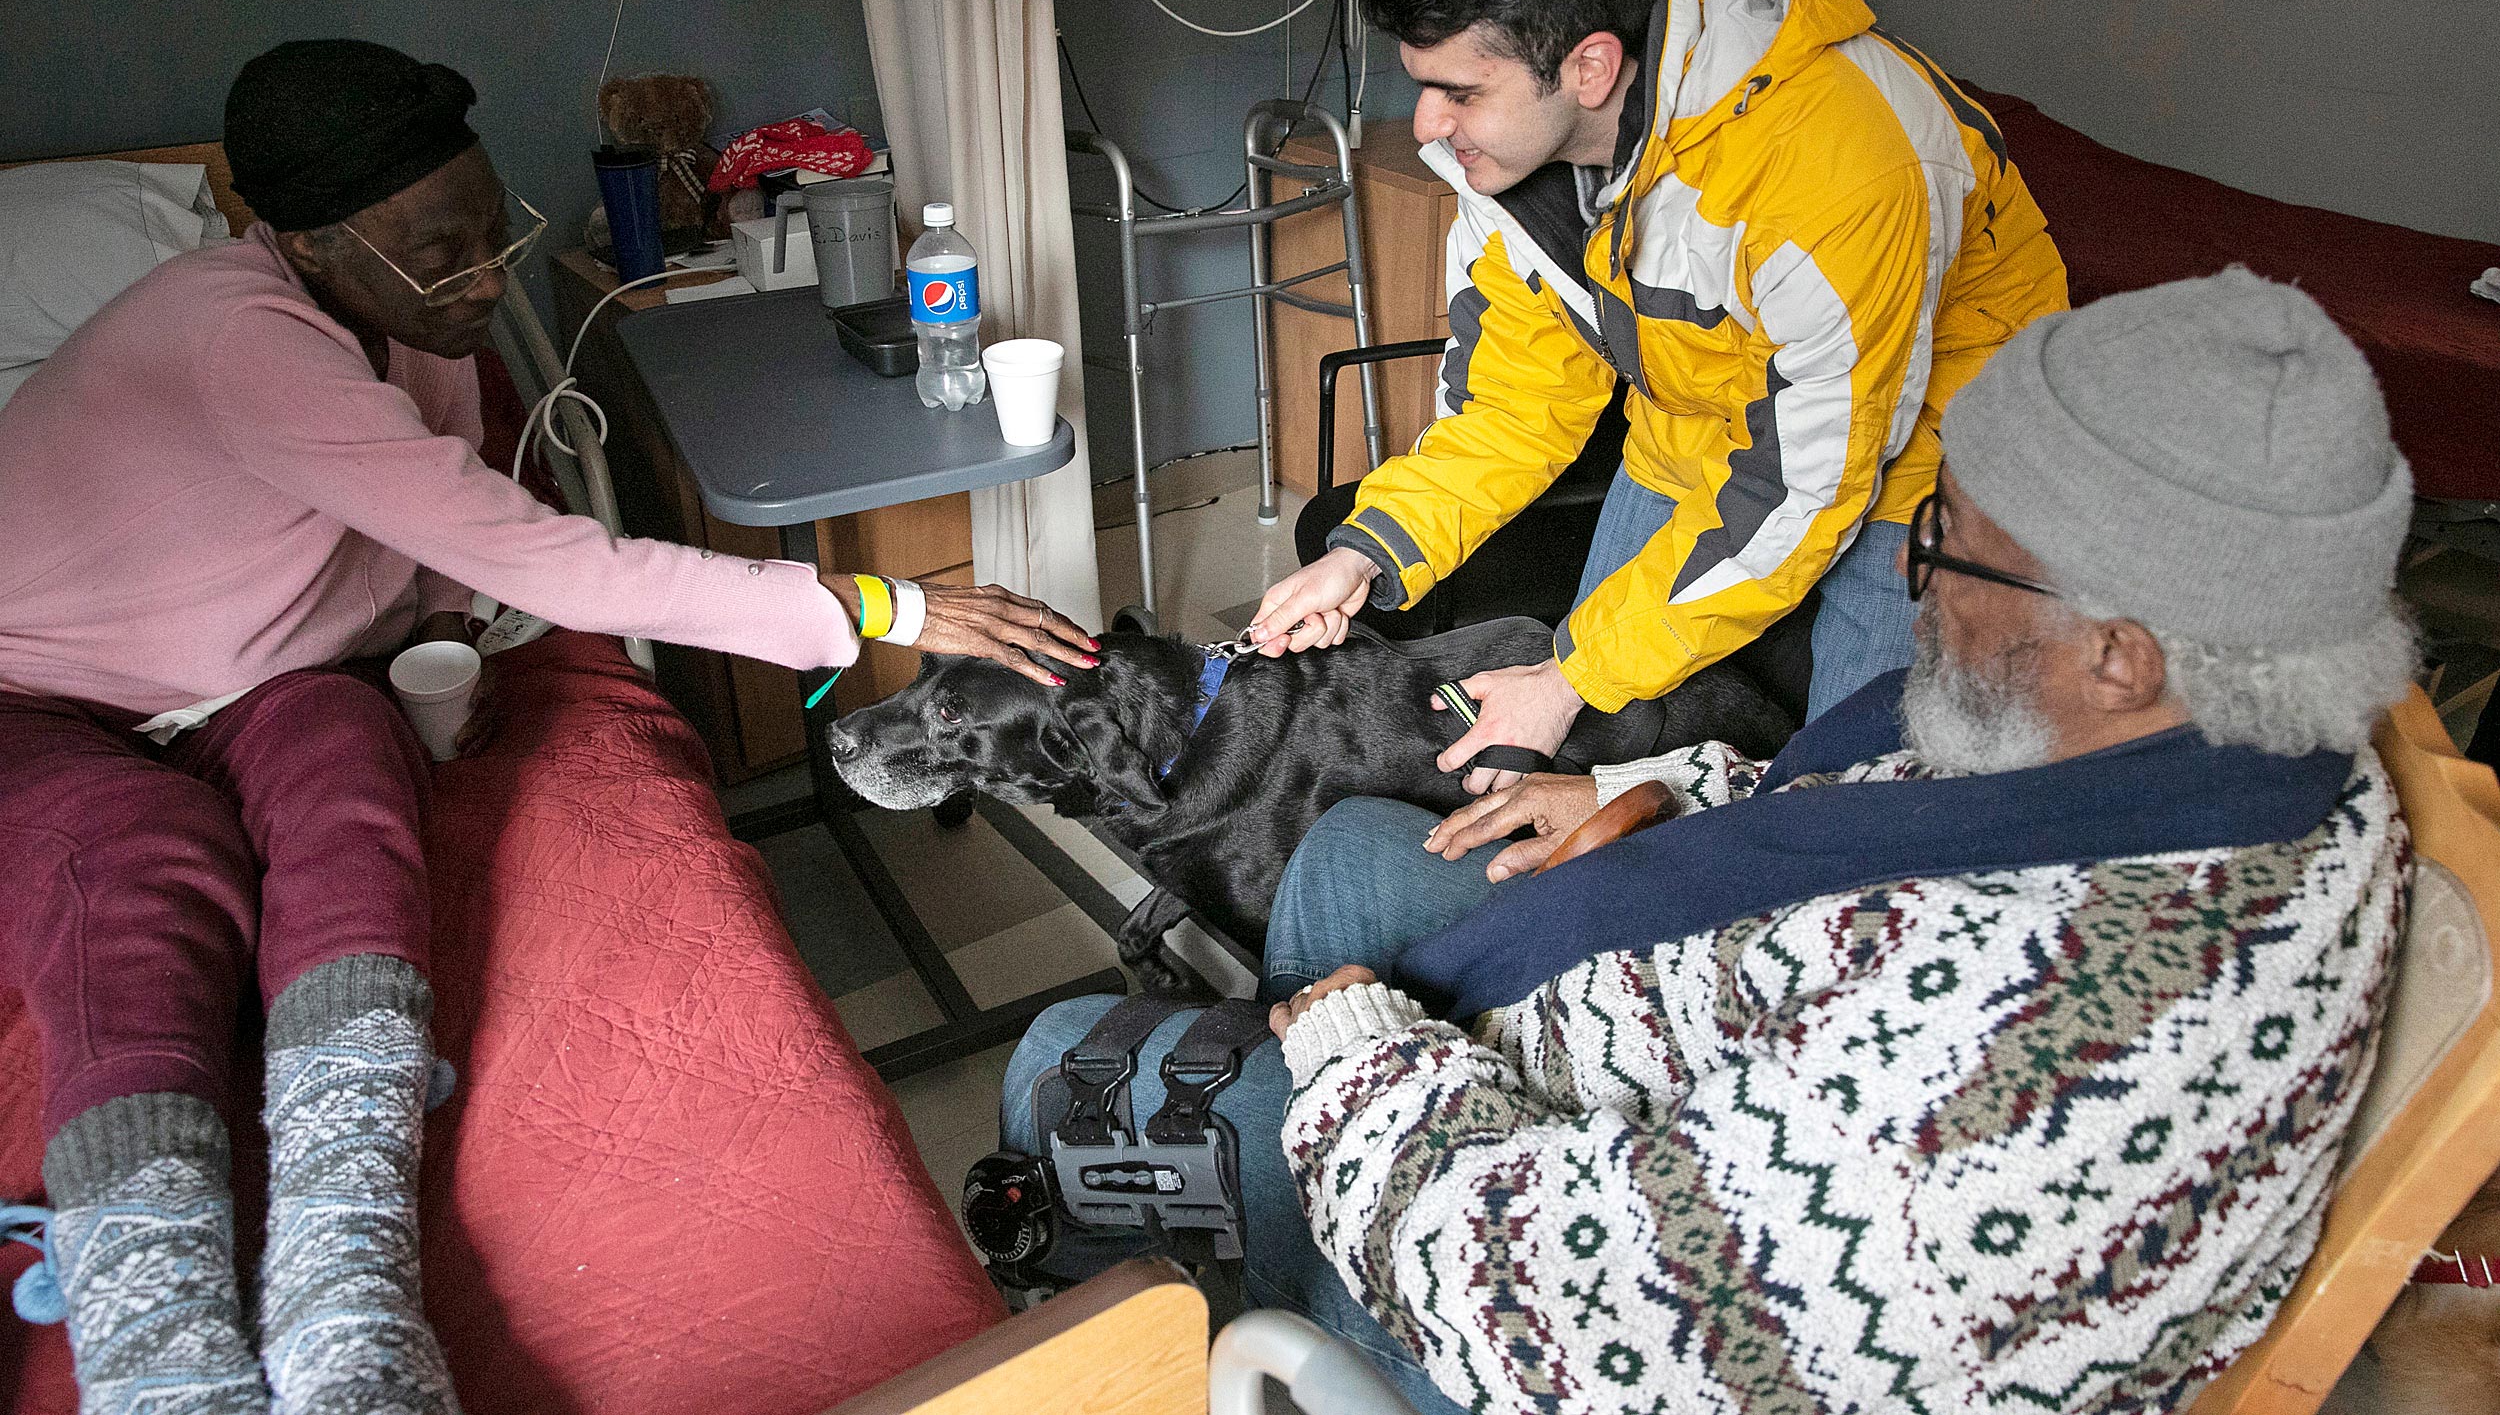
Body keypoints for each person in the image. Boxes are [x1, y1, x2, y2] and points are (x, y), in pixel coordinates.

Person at [1002, 270, 2419, 1414]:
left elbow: (1551, 1303)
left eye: (1949, 548)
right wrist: (1669, 788)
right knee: (1348, 850)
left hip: (1548, 1283)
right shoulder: (2224, 737)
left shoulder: (2028, 1090)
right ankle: (1271, 1197)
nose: (1916, 584)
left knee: (1062, 1087)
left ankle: (1187, 1316)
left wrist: (1356, 1048)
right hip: (1698, 1028)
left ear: (2118, 652)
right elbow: (1887, 805)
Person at [0, 39, 1094, 1414]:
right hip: (41, 695)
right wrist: (882, 603)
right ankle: (158, 1326)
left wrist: (434, 636)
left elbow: (448, 537)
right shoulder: (238, 335)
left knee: (353, 765)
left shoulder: (417, 330)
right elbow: (561, 562)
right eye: (435, 253)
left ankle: (345, 1255)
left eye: (488, 230)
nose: (485, 276)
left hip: (258, 676)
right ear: (306, 241)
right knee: (137, 853)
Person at [1249, 0, 2068, 790]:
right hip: (1694, 405)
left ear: (1590, 66)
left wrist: (1567, 675)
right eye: (1422, 83)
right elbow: (1514, 407)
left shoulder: (1842, 171)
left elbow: (1802, 486)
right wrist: (1364, 550)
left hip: (1938, 442)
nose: (1427, 123)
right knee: (1599, 711)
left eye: (1459, 91)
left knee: (1859, 789)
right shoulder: (1507, 159)